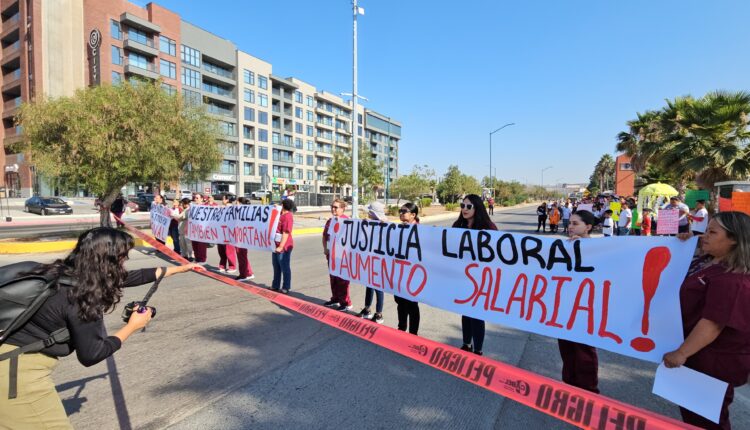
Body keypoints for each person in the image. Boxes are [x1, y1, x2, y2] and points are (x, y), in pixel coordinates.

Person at [0, 227, 198, 428]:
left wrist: (176, 269)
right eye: (123, 257)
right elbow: (92, 354)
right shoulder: (81, 297)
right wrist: (132, 327)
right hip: (18, 375)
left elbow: (126, 278)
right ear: (108, 261)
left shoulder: (60, 272)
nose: (125, 262)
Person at [663, 212, 750, 429]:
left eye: (712, 232)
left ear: (734, 240)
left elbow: (713, 323)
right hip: (697, 355)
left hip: (712, 361)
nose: (704, 236)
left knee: (707, 419)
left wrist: (682, 353)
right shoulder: (708, 261)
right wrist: (682, 242)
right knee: (693, 415)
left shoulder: (733, 279)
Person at [558, 210, 600, 393]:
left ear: (588, 227)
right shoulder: (565, 245)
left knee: (584, 351)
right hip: (565, 306)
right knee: (566, 348)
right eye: (570, 223)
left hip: (585, 308)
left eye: (576, 224)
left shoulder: (599, 247)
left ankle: (588, 391)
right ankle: (570, 386)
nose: (571, 227)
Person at [454, 194, 498, 355]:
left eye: (468, 206)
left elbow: (496, 253)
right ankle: (466, 344)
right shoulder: (457, 226)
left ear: (477, 208)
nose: (464, 209)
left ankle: (478, 350)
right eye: (462, 205)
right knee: (466, 312)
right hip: (462, 278)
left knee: (477, 314)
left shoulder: (488, 228)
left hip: (481, 279)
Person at [356, 201, 388, 323]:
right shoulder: (370, 224)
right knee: (369, 284)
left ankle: (379, 313)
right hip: (370, 259)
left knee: (378, 287)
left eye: (370, 211)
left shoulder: (385, 225)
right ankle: (367, 309)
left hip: (379, 261)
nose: (368, 213)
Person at [394, 203, 421, 334]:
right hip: (399, 272)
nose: (401, 213)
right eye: (400, 211)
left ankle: (413, 333)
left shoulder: (420, 231)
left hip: (413, 274)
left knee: (412, 305)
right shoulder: (398, 229)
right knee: (400, 302)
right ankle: (401, 328)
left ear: (413, 215)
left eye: (404, 211)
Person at [322, 199, 352, 311]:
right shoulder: (330, 221)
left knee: (342, 280)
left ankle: (345, 302)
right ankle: (335, 298)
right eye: (332, 206)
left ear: (342, 209)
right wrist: (325, 248)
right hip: (331, 255)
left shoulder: (347, 221)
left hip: (342, 257)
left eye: (336, 207)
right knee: (333, 278)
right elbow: (325, 236)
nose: (333, 209)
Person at [271, 199, 295, 294]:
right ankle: (275, 285)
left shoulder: (288, 217)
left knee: (284, 267)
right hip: (275, 245)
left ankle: (286, 286)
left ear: (284, 206)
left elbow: (286, 232)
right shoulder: (280, 215)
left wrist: (281, 246)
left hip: (284, 246)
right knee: (276, 266)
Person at [234, 197, 255, 281]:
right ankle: (248, 272)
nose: (235, 204)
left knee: (241, 255)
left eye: (236, 202)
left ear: (240, 203)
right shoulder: (240, 212)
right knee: (242, 256)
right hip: (239, 236)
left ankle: (244, 275)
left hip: (242, 237)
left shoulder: (244, 213)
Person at [216, 194, 238, 274]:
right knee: (221, 249)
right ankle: (222, 265)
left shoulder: (232, 208)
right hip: (221, 231)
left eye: (223, 199)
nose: (222, 200)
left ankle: (232, 266)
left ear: (227, 200)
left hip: (229, 232)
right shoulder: (221, 208)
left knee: (229, 250)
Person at [191, 193, 208, 265]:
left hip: (202, 229)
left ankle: (202, 259)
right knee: (195, 244)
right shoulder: (193, 207)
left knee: (201, 245)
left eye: (197, 198)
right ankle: (197, 258)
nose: (195, 199)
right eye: (195, 198)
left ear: (201, 199)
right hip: (194, 229)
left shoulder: (205, 207)